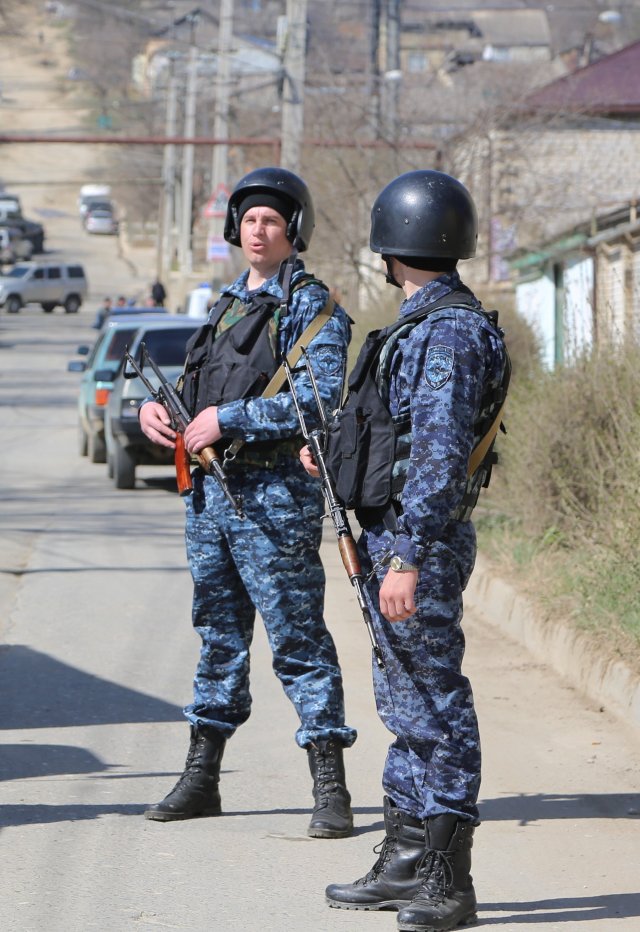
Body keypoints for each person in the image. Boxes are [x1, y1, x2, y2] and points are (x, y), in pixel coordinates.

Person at [302, 170, 510, 930]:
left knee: (436, 703)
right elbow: (401, 439)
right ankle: (404, 861)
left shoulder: (449, 332)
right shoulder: (427, 324)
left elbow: (440, 455)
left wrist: (407, 556)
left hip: (416, 542)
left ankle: (449, 882)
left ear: (393, 246)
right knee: (403, 699)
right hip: (397, 534)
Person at [139, 166, 357, 838]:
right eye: (249, 220)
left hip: (275, 502)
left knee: (298, 641)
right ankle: (202, 777)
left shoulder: (313, 307)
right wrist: (156, 412)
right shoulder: (226, 306)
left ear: (294, 230)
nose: (257, 231)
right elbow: (190, 389)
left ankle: (330, 787)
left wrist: (228, 420)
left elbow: (313, 401)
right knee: (218, 639)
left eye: (271, 220)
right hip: (209, 500)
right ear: (235, 229)